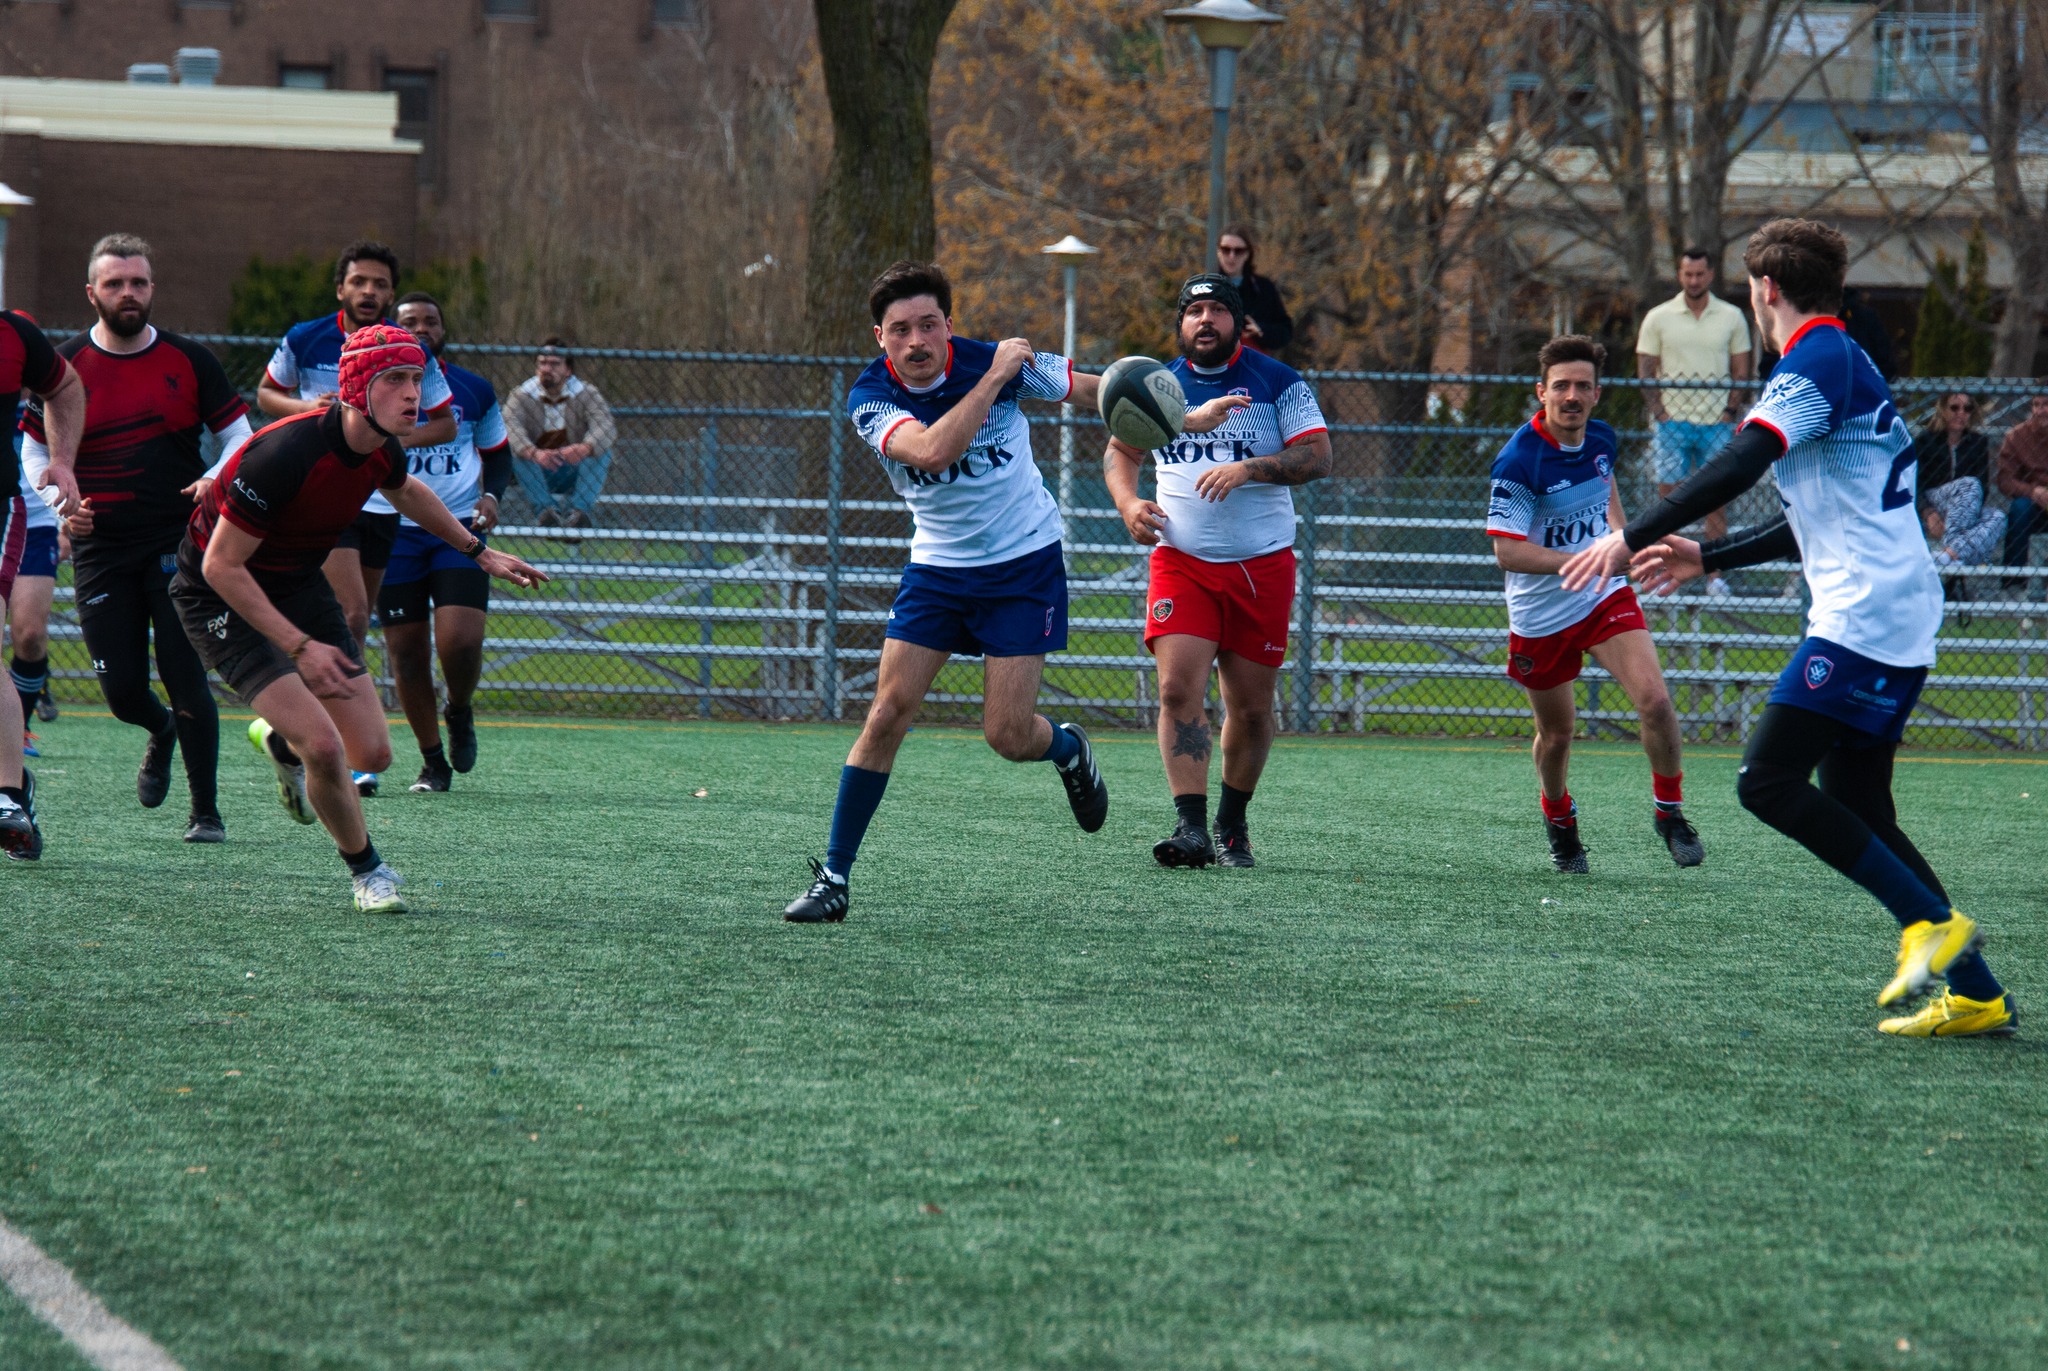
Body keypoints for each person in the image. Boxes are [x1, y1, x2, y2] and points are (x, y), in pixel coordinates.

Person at [1565, 216, 2017, 1038]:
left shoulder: (1816, 359)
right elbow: (1816, 511)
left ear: (1762, 291)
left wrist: (1625, 534)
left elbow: (1741, 462)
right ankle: (1978, 991)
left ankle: (1930, 924)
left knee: (1764, 779)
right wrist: (1711, 558)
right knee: (1860, 806)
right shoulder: (1845, 359)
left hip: (1868, 614)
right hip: (1892, 603)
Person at [781, 260, 1142, 923]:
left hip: (1023, 564)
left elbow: (1098, 392)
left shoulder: (995, 359)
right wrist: (998, 377)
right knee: (887, 711)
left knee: (1006, 734)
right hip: (939, 569)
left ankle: (1068, 748)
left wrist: (1182, 410)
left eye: (927, 325)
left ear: (949, 324)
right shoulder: (872, 396)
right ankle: (834, 877)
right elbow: (931, 451)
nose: (915, 342)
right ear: (878, 338)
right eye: (899, 331)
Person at [171, 325, 544, 913]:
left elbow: (408, 490)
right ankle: (368, 872)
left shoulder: (381, 447)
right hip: (218, 595)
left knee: (372, 755)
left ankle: (280, 740)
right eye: (395, 379)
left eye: (417, 378)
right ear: (355, 388)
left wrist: (480, 551)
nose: (412, 394)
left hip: (294, 585)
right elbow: (220, 568)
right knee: (324, 744)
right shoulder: (283, 454)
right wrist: (299, 647)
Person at [21, 235, 255, 842]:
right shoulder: (63, 366)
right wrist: (58, 507)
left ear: (152, 288)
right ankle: (159, 731)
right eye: (117, 283)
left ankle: (206, 812)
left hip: (177, 547)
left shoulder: (190, 359)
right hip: (101, 550)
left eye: (140, 283)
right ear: (92, 292)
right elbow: (33, 448)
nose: (129, 293)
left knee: (187, 677)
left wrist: (211, 479)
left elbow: (240, 436)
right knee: (122, 691)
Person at [1103, 274, 1329, 868]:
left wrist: (1250, 468)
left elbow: (1317, 456)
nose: (1206, 321)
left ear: (1237, 320)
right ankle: (1191, 826)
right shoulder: (1159, 385)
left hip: (1261, 566)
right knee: (1178, 690)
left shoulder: (1278, 382)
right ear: (1181, 323)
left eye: (1217, 311)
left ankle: (1233, 824)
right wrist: (1128, 503)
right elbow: (1119, 452)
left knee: (1251, 708)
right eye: (1194, 311)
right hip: (1182, 564)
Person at [1485, 334, 1703, 875]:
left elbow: (1606, 492)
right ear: (1542, 392)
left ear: (1598, 393)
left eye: (1583, 385)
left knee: (1653, 700)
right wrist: (1573, 561)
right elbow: (1507, 551)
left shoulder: (1602, 439)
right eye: (1561, 386)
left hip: (1603, 593)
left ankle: (1670, 813)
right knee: (1557, 735)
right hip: (1541, 614)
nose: (1572, 395)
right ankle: (1558, 815)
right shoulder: (1518, 461)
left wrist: (1625, 543)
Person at [256, 239, 458, 798]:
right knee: (346, 611)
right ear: (341, 288)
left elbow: (444, 423)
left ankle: (297, 731)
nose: (370, 292)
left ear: (392, 293)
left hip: (381, 493)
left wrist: (379, 429)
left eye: (380, 284)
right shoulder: (306, 337)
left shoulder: (408, 347)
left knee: (358, 618)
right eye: (359, 282)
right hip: (327, 493)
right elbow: (266, 393)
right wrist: (313, 413)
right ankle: (333, 742)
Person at [384, 292, 511, 792]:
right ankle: (432, 761)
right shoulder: (378, 388)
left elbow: (498, 455)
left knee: (460, 641)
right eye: (409, 321)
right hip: (394, 531)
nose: (420, 328)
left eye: (429, 321)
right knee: (407, 652)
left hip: (458, 527)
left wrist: (493, 496)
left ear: (443, 329)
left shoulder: (473, 390)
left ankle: (459, 708)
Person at [0, 307, 86, 860]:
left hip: (10, 509)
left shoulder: (12, 331)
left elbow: (66, 384)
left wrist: (62, 461)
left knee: (27, 637)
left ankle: (7, 793)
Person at [1635, 247, 1754, 592]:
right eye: (1688, 274)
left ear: (1710, 274)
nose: (1694, 280)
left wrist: (1729, 412)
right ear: (1679, 274)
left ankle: (1714, 575)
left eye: (1700, 274)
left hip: (1717, 424)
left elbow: (1741, 369)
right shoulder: (1658, 316)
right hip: (1672, 424)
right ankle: (1660, 571)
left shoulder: (1731, 316)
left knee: (1717, 499)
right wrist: (1660, 413)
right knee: (1667, 502)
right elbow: (1645, 368)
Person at [503, 338, 616, 531]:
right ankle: (546, 513)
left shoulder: (586, 393)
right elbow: (510, 427)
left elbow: (605, 427)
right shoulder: (521, 395)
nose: (547, 369)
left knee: (602, 451)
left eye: (554, 364)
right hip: (536, 471)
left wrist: (584, 448)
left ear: (568, 370)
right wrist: (533, 453)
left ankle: (578, 514)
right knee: (516, 452)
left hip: (575, 470)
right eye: (542, 363)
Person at [1914, 391, 2003, 574]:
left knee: (1998, 517)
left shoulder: (1977, 442)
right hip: (1935, 501)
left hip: (1966, 508)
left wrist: (1966, 512)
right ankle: (1956, 552)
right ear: (1943, 410)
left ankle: (1949, 555)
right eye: (1954, 407)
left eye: (1967, 408)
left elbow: (1984, 487)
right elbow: (1915, 485)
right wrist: (1928, 512)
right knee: (1968, 484)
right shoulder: (1926, 440)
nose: (1961, 413)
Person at [10, 441, 62, 756]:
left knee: (30, 635)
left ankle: (19, 729)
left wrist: (64, 519)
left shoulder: (54, 397)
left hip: (36, 526)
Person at [1993, 390, 2048, 590]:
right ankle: (2013, 582)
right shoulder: (2017, 436)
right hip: (2034, 505)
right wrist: (2033, 492)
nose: (2041, 411)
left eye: (2046, 404)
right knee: (2019, 508)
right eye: (2036, 405)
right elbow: (2005, 480)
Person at [1215, 225, 1293, 355]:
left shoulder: (1263, 289)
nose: (1231, 256)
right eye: (1226, 250)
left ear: (1247, 254)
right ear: (1218, 252)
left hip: (1254, 363)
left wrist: (1261, 330)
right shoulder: (1207, 287)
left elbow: (1285, 331)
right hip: (1215, 365)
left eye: (1238, 251)